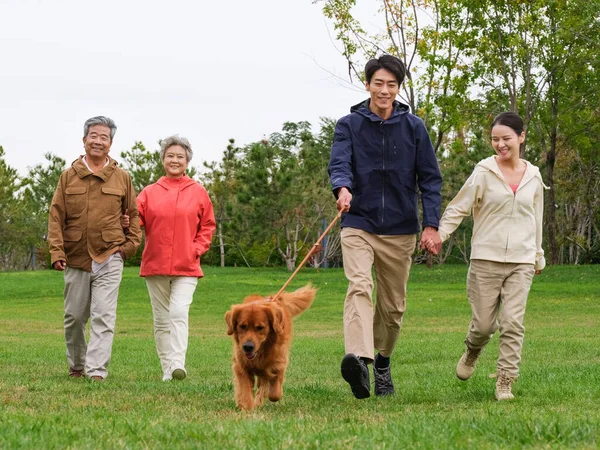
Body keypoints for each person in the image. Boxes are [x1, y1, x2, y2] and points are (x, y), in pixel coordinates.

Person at [328, 55, 443, 399]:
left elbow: (431, 179)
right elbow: (339, 162)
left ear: (398, 88)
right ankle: (359, 362)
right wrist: (343, 188)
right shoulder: (349, 124)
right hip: (358, 221)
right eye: (378, 83)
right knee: (359, 286)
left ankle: (381, 362)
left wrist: (431, 225)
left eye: (391, 84)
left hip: (400, 227)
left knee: (393, 308)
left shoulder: (414, 127)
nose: (384, 90)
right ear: (367, 85)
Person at [427, 112, 546, 400]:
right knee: (483, 325)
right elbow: (459, 207)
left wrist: (537, 255)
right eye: (495, 139)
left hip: (521, 260)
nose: (500, 145)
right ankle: (473, 349)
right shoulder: (484, 171)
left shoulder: (534, 175)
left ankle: (505, 380)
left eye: (506, 139)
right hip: (485, 260)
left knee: (513, 322)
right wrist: (439, 234)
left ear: (521, 137)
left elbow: (536, 218)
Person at [48, 116, 142, 381]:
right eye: (94, 135)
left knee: (103, 316)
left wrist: (129, 247)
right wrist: (57, 252)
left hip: (110, 255)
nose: (98, 141)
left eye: (104, 137)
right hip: (76, 257)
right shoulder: (68, 177)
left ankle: (96, 371)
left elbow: (133, 215)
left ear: (110, 144)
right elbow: (55, 216)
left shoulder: (122, 177)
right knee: (74, 317)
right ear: (84, 140)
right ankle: (77, 365)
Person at [135, 135, 216, 381]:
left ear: (187, 161)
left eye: (180, 156)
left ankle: (178, 364)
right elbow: (134, 220)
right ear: (163, 160)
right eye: (170, 155)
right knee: (161, 320)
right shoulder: (149, 193)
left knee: (179, 312)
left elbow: (208, 226)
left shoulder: (198, 192)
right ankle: (167, 369)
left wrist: (196, 249)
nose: (174, 160)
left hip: (187, 266)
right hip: (155, 264)